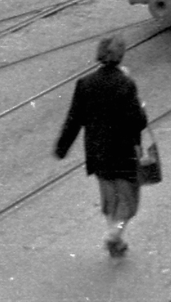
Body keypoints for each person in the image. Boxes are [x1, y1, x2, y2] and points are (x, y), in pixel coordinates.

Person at [53, 35, 149, 257]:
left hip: (97, 152)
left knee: (110, 199)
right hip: (123, 151)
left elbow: (73, 119)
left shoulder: (85, 83)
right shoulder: (125, 83)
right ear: (120, 55)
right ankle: (113, 235)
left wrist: (62, 148)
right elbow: (138, 121)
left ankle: (115, 241)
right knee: (129, 202)